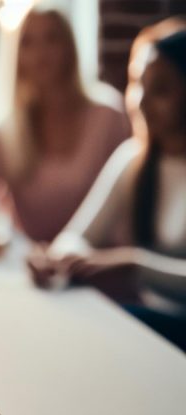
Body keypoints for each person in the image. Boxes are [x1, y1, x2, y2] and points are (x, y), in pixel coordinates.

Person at [28, 23, 186, 350]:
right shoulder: (134, 158)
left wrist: (133, 263)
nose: (140, 101)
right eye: (136, 84)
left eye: (160, 89)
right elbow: (80, 234)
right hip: (151, 328)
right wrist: (60, 260)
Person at [0, 5, 131, 243]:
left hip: (94, 265)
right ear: (16, 55)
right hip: (31, 266)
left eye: (51, 39)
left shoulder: (108, 114)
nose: (40, 53)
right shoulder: (3, 123)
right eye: (28, 43)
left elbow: (129, 205)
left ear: (69, 47)